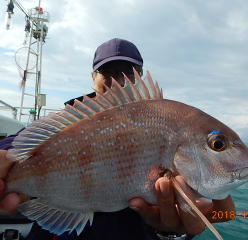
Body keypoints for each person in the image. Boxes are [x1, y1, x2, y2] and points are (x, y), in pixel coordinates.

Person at [0, 38, 235, 240]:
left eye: (127, 72)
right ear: (93, 77)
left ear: (139, 76)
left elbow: (188, 221)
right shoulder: (65, 122)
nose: (117, 81)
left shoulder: (163, 120)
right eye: (108, 72)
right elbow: (13, 147)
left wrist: (172, 233)